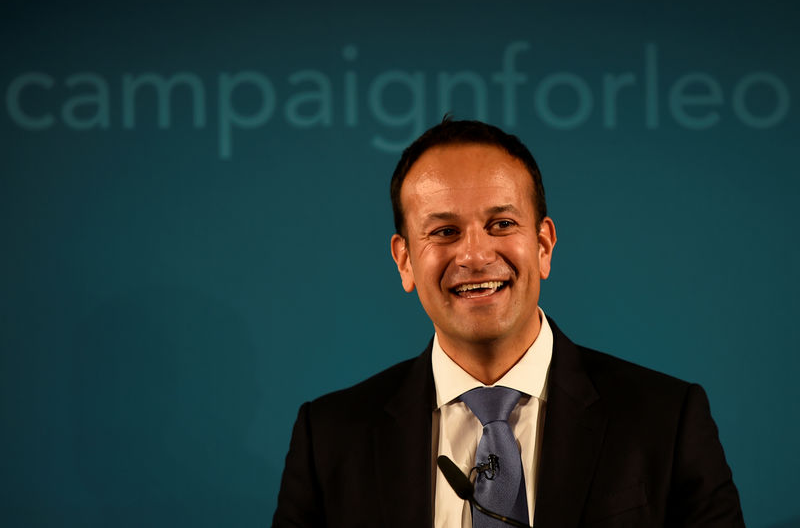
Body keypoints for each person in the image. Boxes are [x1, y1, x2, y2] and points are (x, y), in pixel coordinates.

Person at [272, 119, 745, 528]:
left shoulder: (666, 420)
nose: (476, 255)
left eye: (501, 224)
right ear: (405, 261)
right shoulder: (330, 438)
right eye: (444, 232)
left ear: (543, 245)